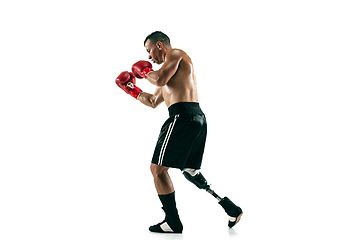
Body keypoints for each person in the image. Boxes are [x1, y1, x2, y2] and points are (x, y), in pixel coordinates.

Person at [115, 31, 243, 233]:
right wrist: (131, 89)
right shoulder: (167, 74)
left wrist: (144, 71)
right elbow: (152, 101)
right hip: (195, 118)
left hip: (182, 116)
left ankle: (172, 222)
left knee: (157, 169)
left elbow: (157, 79)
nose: (149, 57)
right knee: (190, 171)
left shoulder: (175, 54)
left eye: (149, 51)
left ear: (159, 45)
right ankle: (230, 207)